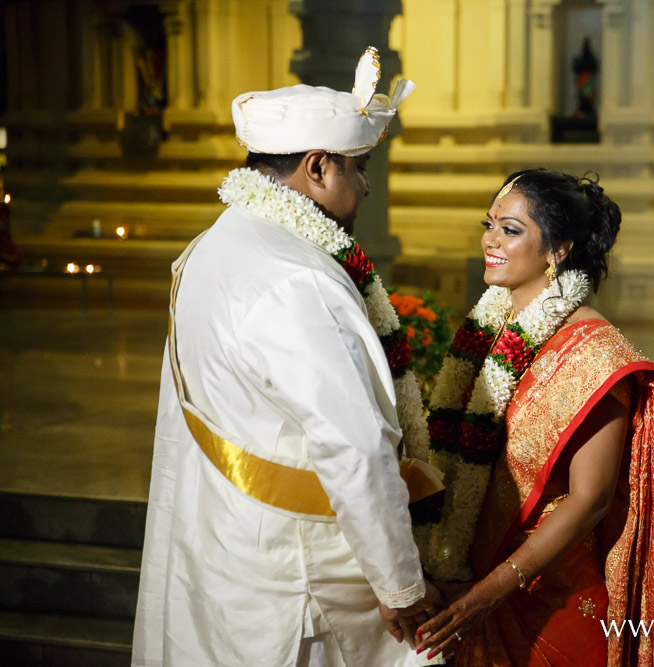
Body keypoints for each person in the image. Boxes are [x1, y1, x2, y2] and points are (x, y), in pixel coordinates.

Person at [132, 48, 440, 667]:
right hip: (299, 567)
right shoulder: (298, 278)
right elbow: (353, 446)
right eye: (360, 167)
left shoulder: (215, 244)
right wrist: (401, 586)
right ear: (318, 167)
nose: (367, 183)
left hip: (222, 534)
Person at [415, 169, 654, 665]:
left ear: (558, 250)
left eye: (511, 230)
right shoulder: (487, 330)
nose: (490, 240)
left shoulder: (596, 354)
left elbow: (591, 499)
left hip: (546, 596)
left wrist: (488, 592)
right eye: (490, 224)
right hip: (466, 583)